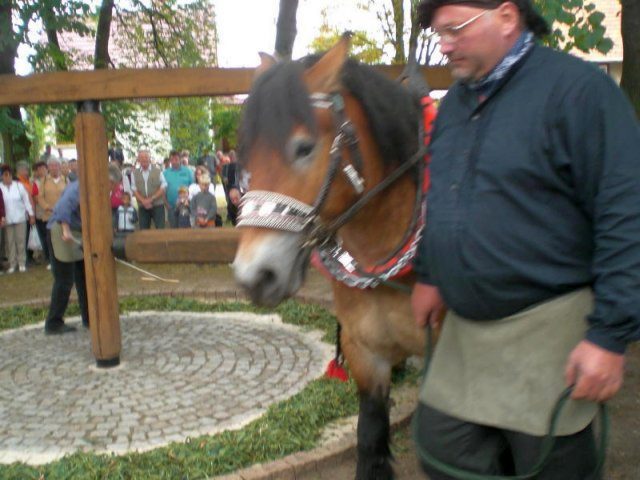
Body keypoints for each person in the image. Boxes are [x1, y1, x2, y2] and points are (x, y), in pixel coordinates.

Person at [411, 1, 640, 479]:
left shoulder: (580, 92)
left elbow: (626, 214)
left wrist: (609, 335)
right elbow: (443, 196)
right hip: (466, 337)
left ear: (507, 18)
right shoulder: (455, 103)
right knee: (441, 452)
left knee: (548, 468)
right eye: (439, 34)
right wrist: (431, 274)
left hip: (549, 330)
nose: (444, 45)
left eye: (454, 30)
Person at [44, 164, 123, 334]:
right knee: (64, 281)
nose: (112, 189)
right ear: (106, 179)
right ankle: (53, 322)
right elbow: (63, 207)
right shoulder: (79, 187)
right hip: (61, 231)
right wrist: (65, 230)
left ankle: (90, 317)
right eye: (112, 185)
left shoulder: (96, 190)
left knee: (86, 279)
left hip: (78, 234)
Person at [0, 165, 35, 273]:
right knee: (10, 242)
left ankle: (21, 263)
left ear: (12, 176)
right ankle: (12, 264)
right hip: (7, 219)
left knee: (20, 240)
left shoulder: (19, 186)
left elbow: (26, 201)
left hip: (20, 217)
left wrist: (31, 215)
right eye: (5, 176)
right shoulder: (0, 187)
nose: (7, 178)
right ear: (1, 177)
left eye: (9, 175)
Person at [36, 157, 67, 266]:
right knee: (51, 240)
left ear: (59, 166)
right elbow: (40, 197)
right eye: (51, 166)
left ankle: (64, 260)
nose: (54, 168)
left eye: (56, 165)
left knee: (64, 238)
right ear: (48, 168)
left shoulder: (65, 180)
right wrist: (46, 207)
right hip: (49, 215)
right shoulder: (44, 181)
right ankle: (52, 261)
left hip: (63, 215)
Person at [131, 149, 167, 230]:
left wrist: (151, 199)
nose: (144, 159)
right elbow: (134, 188)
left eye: (146, 157)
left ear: (149, 158)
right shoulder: (134, 173)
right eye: (142, 157)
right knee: (143, 230)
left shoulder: (158, 171)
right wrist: (143, 201)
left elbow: (164, 185)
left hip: (157, 205)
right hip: (142, 206)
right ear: (138, 160)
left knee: (160, 230)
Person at [162, 150, 194, 228]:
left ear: (180, 159)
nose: (174, 162)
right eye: (172, 159)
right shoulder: (165, 173)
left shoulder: (188, 171)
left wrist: (190, 202)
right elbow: (162, 190)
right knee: (174, 229)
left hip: (186, 206)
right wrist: (166, 204)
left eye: (176, 159)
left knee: (186, 229)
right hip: (171, 206)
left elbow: (192, 187)